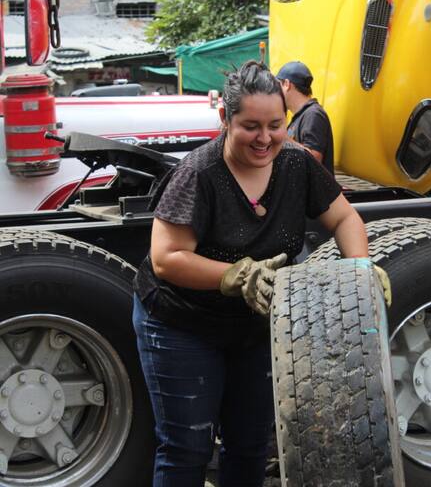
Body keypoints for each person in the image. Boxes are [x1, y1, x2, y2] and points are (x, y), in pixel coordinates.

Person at [131, 60, 377, 487]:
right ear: (225, 118)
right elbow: (166, 258)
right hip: (181, 323)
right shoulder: (200, 173)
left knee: (251, 444)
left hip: (258, 322)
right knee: (187, 447)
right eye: (250, 126)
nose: (265, 139)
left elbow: (345, 220)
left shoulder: (297, 165)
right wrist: (234, 275)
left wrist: (359, 271)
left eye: (276, 125)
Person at [276, 61, 335, 174]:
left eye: (278, 85)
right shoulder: (300, 117)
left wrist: (282, 138)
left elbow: (314, 159)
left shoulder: (313, 115)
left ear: (287, 84)